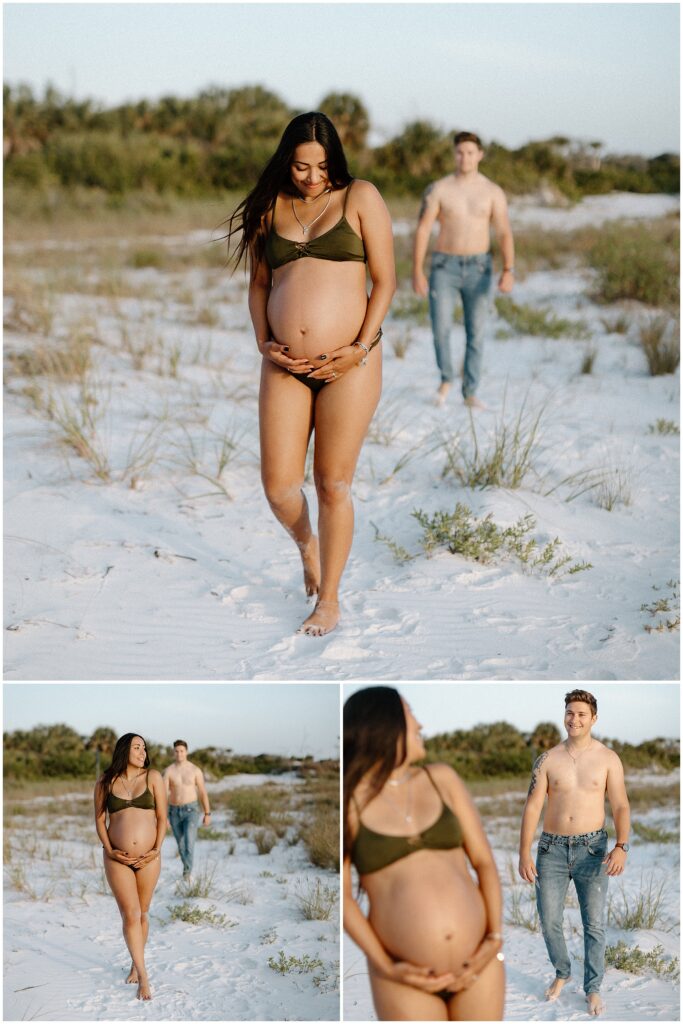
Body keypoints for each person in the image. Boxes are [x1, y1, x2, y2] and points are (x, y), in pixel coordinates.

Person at [226, 112, 395, 636]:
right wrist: (263, 342)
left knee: (332, 483)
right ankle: (307, 545)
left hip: (351, 363)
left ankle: (330, 599)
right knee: (278, 488)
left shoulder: (360, 197)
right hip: (284, 364)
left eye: (321, 166)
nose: (312, 177)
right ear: (286, 161)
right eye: (301, 166)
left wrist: (359, 348)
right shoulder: (269, 207)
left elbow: (384, 283)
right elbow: (259, 284)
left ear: (335, 161)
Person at [343, 687, 505, 1022]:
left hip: (479, 962)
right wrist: (386, 966)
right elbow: (341, 897)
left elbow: (484, 863)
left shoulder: (441, 779)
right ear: (385, 725)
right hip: (404, 978)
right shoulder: (349, 803)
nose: (419, 723)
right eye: (410, 712)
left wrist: (494, 939)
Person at [518, 689, 631, 1017]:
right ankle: (562, 971)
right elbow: (532, 806)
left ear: (593, 718)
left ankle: (592, 988)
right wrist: (524, 851)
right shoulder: (548, 759)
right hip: (551, 850)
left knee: (594, 924)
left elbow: (621, 804)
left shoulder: (608, 758)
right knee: (549, 919)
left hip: (592, 850)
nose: (574, 719)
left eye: (582, 714)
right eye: (570, 712)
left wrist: (621, 845)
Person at [412, 131, 515, 409]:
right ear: (454, 154)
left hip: (479, 268)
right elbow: (423, 229)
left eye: (470, 152)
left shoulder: (493, 191)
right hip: (444, 266)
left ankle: (470, 391)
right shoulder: (439, 189)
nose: (465, 157)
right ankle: (446, 379)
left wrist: (508, 269)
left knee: (476, 332)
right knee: (440, 328)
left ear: (480, 155)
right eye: (460, 152)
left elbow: (504, 231)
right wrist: (417, 270)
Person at [94, 733, 167, 1001]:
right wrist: (110, 850)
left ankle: (136, 963)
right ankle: (144, 977)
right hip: (117, 859)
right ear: (124, 750)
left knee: (144, 913)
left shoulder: (153, 777)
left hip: (150, 857)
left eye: (144, 748)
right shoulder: (105, 781)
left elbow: (162, 817)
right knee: (131, 915)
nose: (142, 752)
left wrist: (155, 850)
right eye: (137, 747)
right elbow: (100, 820)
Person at [163, 739, 212, 878]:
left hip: (191, 810)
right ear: (173, 752)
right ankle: (187, 867)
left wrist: (207, 813)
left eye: (182, 751)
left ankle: (187, 873)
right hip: (173, 811)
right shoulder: (168, 771)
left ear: (187, 752)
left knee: (189, 843)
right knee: (181, 845)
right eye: (177, 751)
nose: (179, 754)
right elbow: (163, 795)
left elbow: (202, 792)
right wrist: (164, 816)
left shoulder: (195, 770)